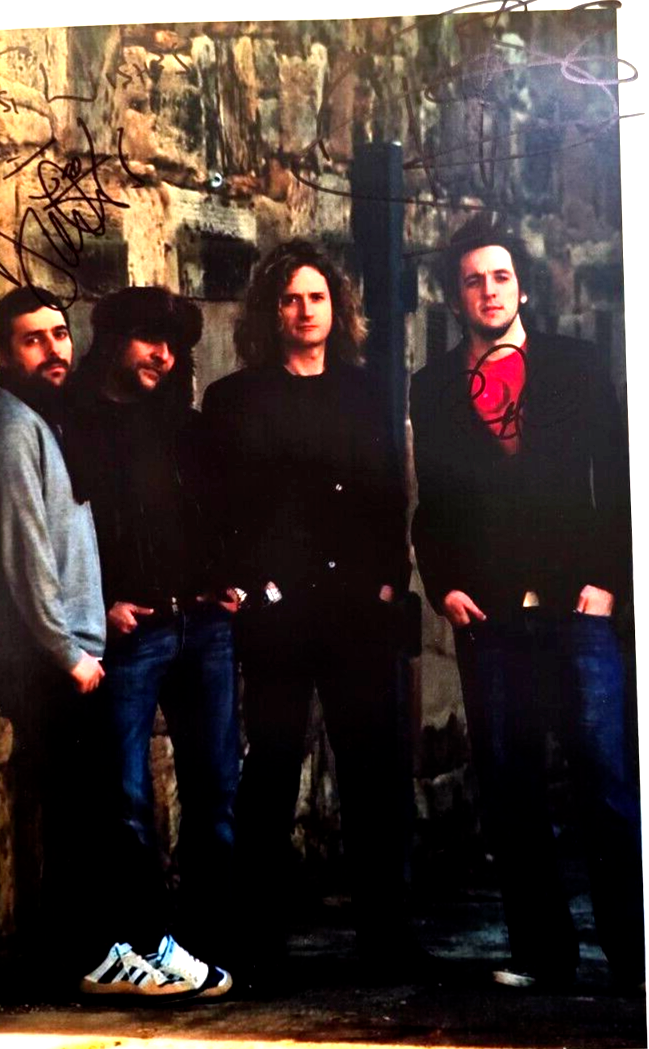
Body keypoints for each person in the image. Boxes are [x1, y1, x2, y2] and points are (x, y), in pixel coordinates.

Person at [409, 213, 645, 992]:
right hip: (490, 616)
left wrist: (610, 581)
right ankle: (543, 951)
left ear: (522, 287)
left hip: (578, 605)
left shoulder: (575, 365)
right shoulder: (432, 386)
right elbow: (431, 505)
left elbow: (621, 480)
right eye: (473, 280)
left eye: (500, 276)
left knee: (605, 781)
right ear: (455, 295)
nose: (488, 290)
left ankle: (634, 953)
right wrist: (443, 583)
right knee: (510, 784)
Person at [202, 238, 428, 990]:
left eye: (317, 298)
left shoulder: (367, 393)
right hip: (276, 613)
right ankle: (256, 941)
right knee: (269, 770)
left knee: (371, 773)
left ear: (337, 308)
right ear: (271, 311)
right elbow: (218, 506)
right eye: (290, 299)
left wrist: (388, 584)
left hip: (356, 611)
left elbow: (389, 496)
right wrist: (243, 584)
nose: (304, 311)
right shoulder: (235, 399)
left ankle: (386, 938)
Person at [65, 286, 238, 997]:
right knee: (126, 796)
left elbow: (223, 508)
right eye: (147, 339)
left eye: (172, 345)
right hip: (134, 634)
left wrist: (229, 579)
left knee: (214, 789)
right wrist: (99, 604)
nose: (162, 355)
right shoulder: (75, 425)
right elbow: (64, 532)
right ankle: (140, 942)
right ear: (113, 341)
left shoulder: (185, 424)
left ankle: (206, 941)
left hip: (204, 626)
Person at [0, 285, 106, 996]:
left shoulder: (41, 418)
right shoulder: (10, 425)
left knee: (76, 814)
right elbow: (22, 550)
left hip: (70, 653)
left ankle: (82, 959)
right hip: (50, 661)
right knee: (68, 817)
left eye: (59, 334)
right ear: (2, 352)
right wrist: (68, 652)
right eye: (33, 339)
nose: (54, 349)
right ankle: (77, 963)